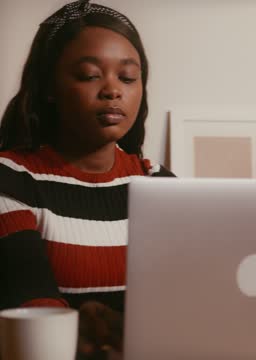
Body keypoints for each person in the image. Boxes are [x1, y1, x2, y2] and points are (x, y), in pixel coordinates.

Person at [0, 0, 173, 356]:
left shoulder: (159, 183)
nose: (113, 90)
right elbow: (31, 307)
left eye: (128, 77)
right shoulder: (12, 178)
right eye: (90, 75)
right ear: (49, 87)